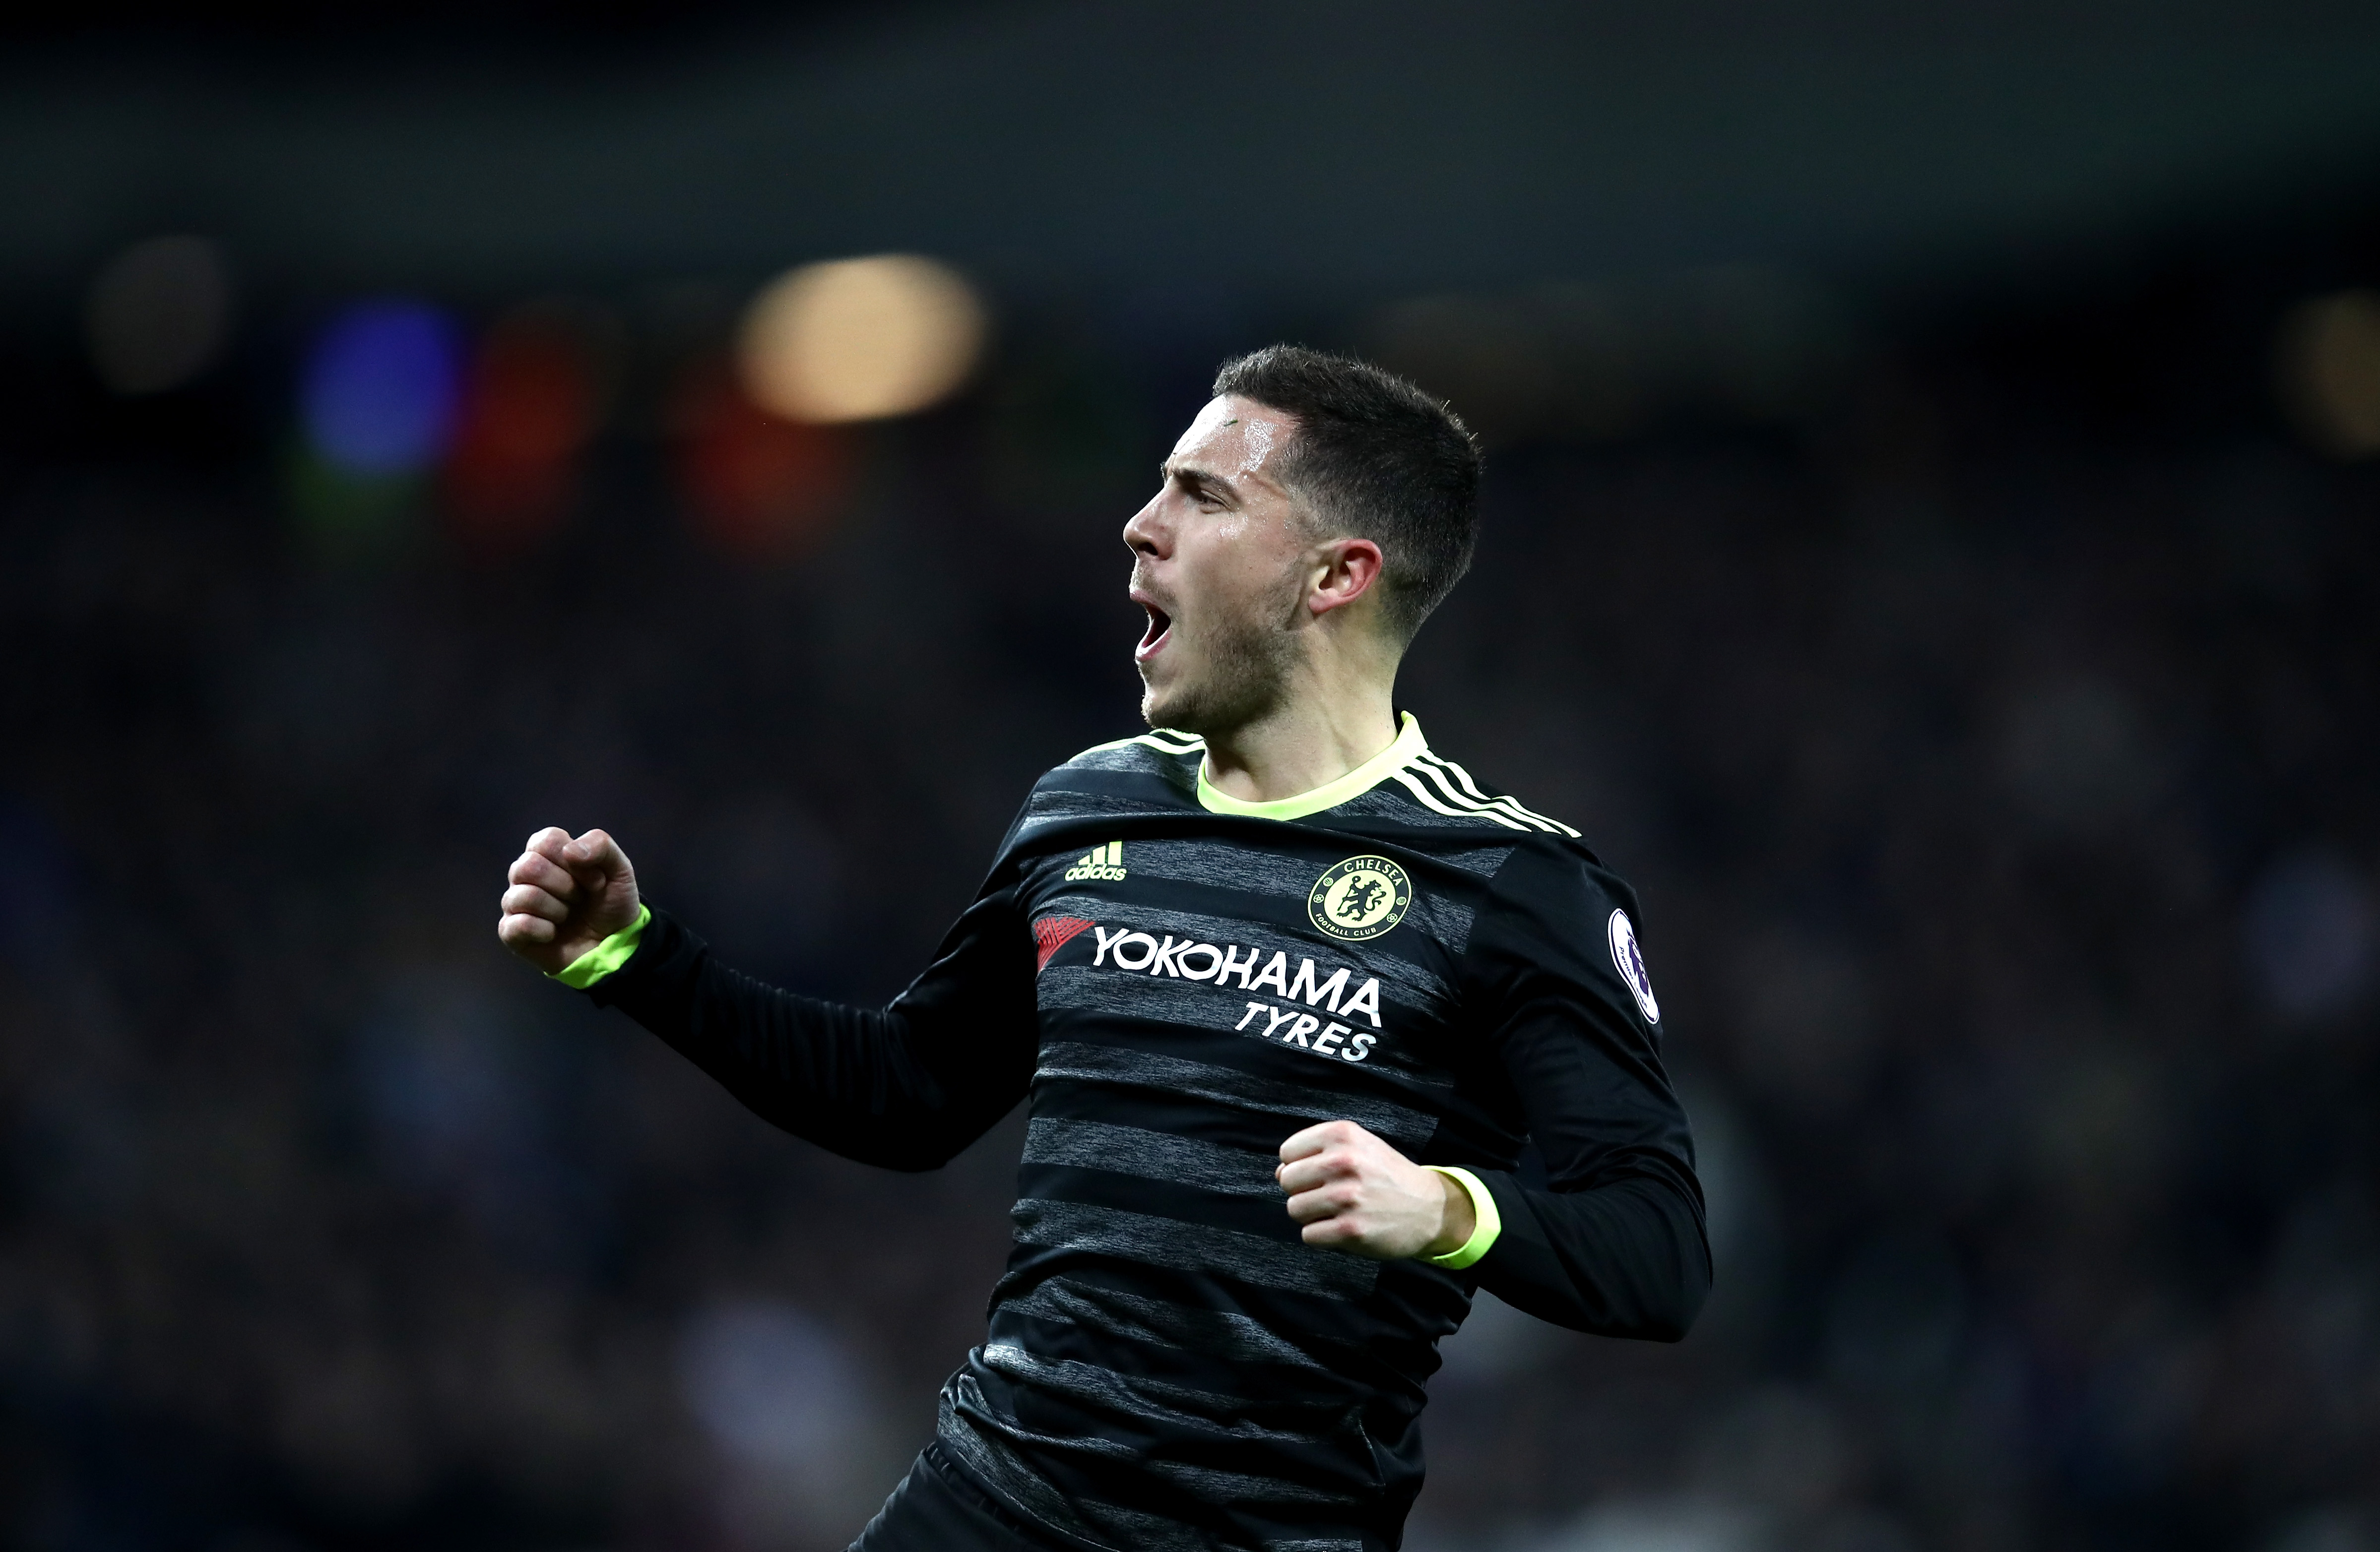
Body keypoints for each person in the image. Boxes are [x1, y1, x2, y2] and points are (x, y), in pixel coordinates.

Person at [497, 345, 1710, 1552]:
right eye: (1158, 485)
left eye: (1205, 494)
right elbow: (910, 1091)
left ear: (1335, 574)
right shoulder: (1090, 805)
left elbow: (1657, 1251)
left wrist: (1445, 1203)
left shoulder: (1510, 884)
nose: (1139, 525)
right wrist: (637, 960)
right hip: (987, 1503)